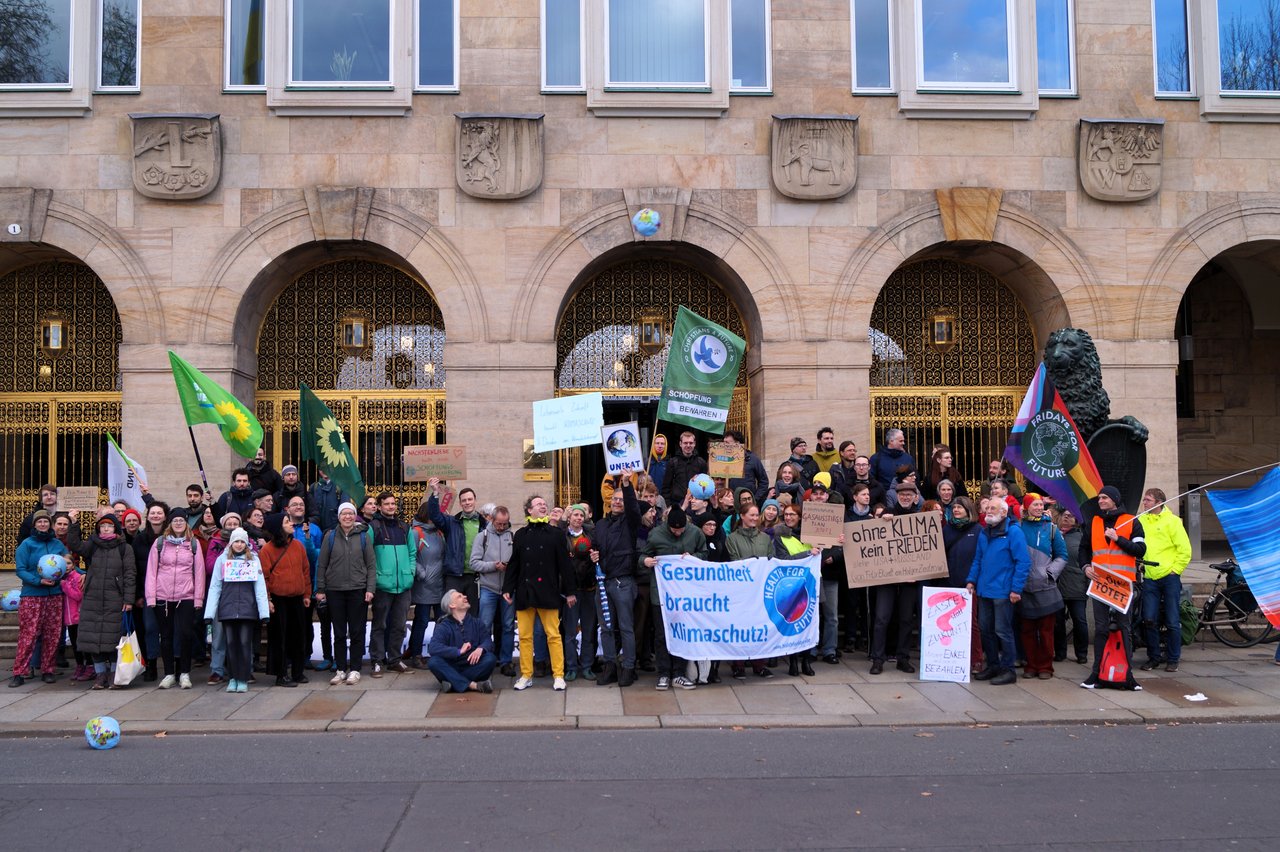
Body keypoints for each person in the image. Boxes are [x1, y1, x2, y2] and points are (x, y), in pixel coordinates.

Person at [502, 494, 577, 691]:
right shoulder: (521, 534)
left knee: (553, 635)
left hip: (548, 591)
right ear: (529, 510)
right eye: (538, 504)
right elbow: (514, 564)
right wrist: (508, 588)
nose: (543, 506)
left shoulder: (556, 534)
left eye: (544, 504)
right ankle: (526, 675)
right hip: (525, 591)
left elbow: (565, 565)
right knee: (525, 636)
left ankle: (558, 675)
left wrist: (570, 591)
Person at [1079, 485, 1146, 690]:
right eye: (1100, 498)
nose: (1100, 501)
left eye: (1105, 498)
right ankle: (1096, 673)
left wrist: (1119, 539)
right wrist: (1085, 567)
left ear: (1115, 500)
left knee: (1124, 627)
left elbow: (1140, 550)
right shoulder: (1094, 522)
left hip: (1122, 583)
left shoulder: (1132, 521)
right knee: (1101, 628)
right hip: (1100, 582)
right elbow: (1083, 549)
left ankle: (1127, 675)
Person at [65, 512, 136, 690]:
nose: (105, 529)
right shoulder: (93, 545)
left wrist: (128, 599)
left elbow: (130, 574)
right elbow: (75, 545)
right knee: (93, 638)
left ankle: (113, 674)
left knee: (113, 639)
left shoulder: (124, 548)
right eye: (102, 526)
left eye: (109, 526)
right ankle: (100, 675)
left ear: (116, 529)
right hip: (93, 598)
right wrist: (74, 523)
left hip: (115, 598)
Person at [639, 506, 707, 690]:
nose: (678, 533)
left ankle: (678, 673)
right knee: (661, 635)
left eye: (681, 530)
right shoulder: (655, 534)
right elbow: (643, 555)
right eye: (674, 530)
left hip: (685, 596)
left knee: (682, 633)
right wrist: (645, 561)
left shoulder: (695, 533)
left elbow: (704, 553)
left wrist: (693, 557)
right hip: (661, 595)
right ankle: (663, 673)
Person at [966, 499, 1031, 686]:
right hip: (984, 590)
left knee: (1002, 631)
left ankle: (1008, 670)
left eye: (992, 508)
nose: (988, 510)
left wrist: (1016, 589)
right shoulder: (984, 531)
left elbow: (1023, 562)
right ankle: (993, 665)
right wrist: (971, 580)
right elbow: (978, 559)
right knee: (986, 630)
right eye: (987, 507)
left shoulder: (1014, 532)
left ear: (1003, 512)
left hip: (1003, 591)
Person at [589, 475, 642, 687]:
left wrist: (626, 485)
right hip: (603, 583)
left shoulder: (630, 522)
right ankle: (610, 666)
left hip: (623, 582)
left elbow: (634, 509)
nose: (618, 502)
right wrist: (593, 554)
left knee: (626, 627)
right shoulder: (600, 524)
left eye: (621, 500)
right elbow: (595, 546)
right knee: (606, 628)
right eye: (615, 499)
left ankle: (628, 667)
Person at [315, 502, 376, 686]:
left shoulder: (364, 537)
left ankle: (355, 669)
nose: (347, 517)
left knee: (357, 631)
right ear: (339, 517)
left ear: (355, 516)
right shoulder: (330, 537)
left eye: (350, 513)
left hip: (358, 589)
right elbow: (322, 564)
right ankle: (341, 669)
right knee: (339, 632)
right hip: (335, 590)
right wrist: (320, 589)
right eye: (344, 514)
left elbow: (371, 565)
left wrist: (370, 589)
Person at [144, 508, 205, 689]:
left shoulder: (193, 543)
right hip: (163, 596)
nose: (178, 523)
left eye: (181, 520)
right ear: (169, 523)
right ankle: (169, 673)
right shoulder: (159, 543)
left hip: (186, 595)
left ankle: (184, 672)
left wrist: (198, 598)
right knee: (166, 636)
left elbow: (199, 572)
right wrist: (151, 597)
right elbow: (151, 571)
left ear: (186, 523)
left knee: (186, 634)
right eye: (175, 520)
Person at [205, 528, 269, 693]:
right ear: (231, 543)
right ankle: (233, 677)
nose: (239, 545)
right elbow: (215, 587)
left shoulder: (253, 559)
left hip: (247, 609)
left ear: (246, 544)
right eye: (236, 541)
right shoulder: (222, 560)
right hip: (228, 608)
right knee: (231, 644)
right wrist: (209, 613)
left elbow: (260, 587)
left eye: (242, 542)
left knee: (244, 643)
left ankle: (243, 677)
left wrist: (263, 612)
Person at [9, 510, 68, 687]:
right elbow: (20, 570)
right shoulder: (26, 545)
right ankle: (19, 672)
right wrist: (38, 581)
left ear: (50, 524)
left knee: (52, 634)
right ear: (34, 524)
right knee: (28, 634)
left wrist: (82, 574)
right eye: (39, 521)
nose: (43, 524)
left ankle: (48, 669)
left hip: (54, 595)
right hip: (33, 595)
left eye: (46, 521)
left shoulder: (57, 544)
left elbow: (67, 564)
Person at [869, 482, 921, 676]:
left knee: (906, 619)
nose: (905, 497)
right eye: (902, 494)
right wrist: (882, 520)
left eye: (909, 494)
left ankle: (903, 658)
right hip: (887, 577)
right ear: (897, 496)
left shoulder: (920, 518)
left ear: (915, 497)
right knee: (881, 618)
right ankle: (877, 658)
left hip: (910, 579)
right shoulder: (888, 513)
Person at [1137, 487, 1191, 673]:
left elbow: (1185, 549)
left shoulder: (1173, 521)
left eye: (1148, 500)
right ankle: (1154, 657)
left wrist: (1175, 571)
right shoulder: (1141, 520)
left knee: (1172, 620)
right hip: (1150, 577)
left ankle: (1173, 658)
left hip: (1169, 577)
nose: (1144, 503)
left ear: (1159, 503)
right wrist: (1141, 564)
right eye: (1144, 500)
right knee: (1149, 619)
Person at [260, 514, 311, 687]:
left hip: (297, 597)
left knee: (298, 636)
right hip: (278, 599)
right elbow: (264, 577)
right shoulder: (267, 550)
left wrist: (306, 594)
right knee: (279, 637)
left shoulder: (298, 546)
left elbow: (305, 571)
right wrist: (268, 599)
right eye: (286, 522)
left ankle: (298, 672)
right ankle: (281, 674)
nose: (291, 524)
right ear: (278, 527)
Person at [1018, 494, 1066, 679]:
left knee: (1046, 631)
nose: (1039, 507)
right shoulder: (1018, 527)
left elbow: (1062, 555)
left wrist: (1049, 574)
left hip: (1046, 587)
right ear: (1026, 507)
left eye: (1040, 504)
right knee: (1027, 631)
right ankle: (1031, 665)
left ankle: (1046, 666)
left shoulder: (1051, 529)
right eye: (1035, 504)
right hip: (1024, 587)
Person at [367, 491, 414, 677]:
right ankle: (377, 661)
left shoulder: (404, 527)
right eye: (386, 504)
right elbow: (368, 555)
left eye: (393, 503)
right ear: (379, 506)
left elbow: (412, 553)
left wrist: (410, 572)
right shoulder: (373, 527)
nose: (391, 507)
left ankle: (395, 660)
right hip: (382, 585)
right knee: (379, 625)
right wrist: (376, 577)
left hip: (403, 584)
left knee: (399, 625)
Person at [725, 504, 774, 679]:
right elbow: (734, 561)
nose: (754, 518)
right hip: (741, 590)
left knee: (759, 627)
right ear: (742, 516)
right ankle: (738, 665)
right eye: (751, 515)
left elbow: (771, 561)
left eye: (756, 515)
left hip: (760, 590)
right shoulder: (732, 538)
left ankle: (759, 664)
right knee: (740, 628)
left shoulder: (765, 538)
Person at [471, 506, 517, 677]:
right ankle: (484, 659)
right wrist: (493, 566)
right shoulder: (482, 537)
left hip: (507, 589)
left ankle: (506, 661)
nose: (502, 527)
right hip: (488, 587)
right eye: (499, 524)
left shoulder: (512, 536)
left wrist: (509, 567)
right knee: (485, 625)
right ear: (491, 519)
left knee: (508, 626)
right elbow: (473, 563)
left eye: (505, 524)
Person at [406, 491, 449, 669]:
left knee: (441, 621)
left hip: (439, 585)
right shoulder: (416, 532)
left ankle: (438, 653)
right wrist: (421, 572)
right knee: (422, 621)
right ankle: (416, 654)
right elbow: (411, 555)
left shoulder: (439, 532)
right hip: (424, 585)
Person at [427, 589, 497, 693]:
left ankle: (453, 683)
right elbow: (433, 648)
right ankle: (473, 685)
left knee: (490, 659)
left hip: (472, 665)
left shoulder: (477, 622)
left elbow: (488, 641)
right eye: (459, 596)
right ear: (452, 605)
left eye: (463, 595)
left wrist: (481, 648)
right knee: (433, 662)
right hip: (452, 665)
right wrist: (458, 651)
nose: (465, 597)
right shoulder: (443, 626)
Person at [943, 496, 984, 673]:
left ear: (968, 510)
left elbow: (981, 557)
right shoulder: (946, 529)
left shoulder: (978, 530)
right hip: (948, 582)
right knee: (949, 623)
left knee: (971, 623)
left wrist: (973, 581)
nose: (956, 510)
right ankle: (951, 657)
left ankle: (976, 659)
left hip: (969, 585)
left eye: (960, 507)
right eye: (954, 508)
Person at [561, 505, 598, 681]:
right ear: (569, 518)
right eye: (575, 515)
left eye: (581, 515)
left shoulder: (591, 536)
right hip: (571, 591)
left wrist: (594, 558)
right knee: (570, 632)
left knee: (588, 631)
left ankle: (587, 666)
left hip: (589, 589)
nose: (578, 518)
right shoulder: (562, 536)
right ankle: (571, 666)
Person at [1052, 510, 1089, 666]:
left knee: (1079, 620)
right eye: (1064, 515)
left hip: (1076, 585)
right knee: (1057, 622)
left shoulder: (1081, 537)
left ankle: (1082, 653)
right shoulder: (1053, 535)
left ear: (1077, 520)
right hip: (1056, 586)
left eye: (1071, 515)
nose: (1067, 517)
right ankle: (1060, 652)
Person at [448, 486, 486, 611]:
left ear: (475, 500)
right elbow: (436, 516)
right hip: (455, 575)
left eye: (470, 499)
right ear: (460, 503)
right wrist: (435, 494)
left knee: (473, 612)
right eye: (464, 500)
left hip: (475, 576)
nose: (467, 502)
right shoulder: (452, 522)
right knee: (452, 612)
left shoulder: (484, 523)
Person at [722, 429, 770, 504]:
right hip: (731, 504)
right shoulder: (722, 460)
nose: (724, 446)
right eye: (724, 443)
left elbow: (764, 481)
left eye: (727, 443)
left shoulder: (753, 459)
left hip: (748, 503)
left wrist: (755, 499)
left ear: (737, 444)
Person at [660, 431, 707, 506]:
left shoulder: (701, 463)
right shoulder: (672, 463)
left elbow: (705, 486)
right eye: (685, 443)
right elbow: (666, 487)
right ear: (680, 444)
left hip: (696, 504)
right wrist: (668, 505)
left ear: (694, 444)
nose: (688, 445)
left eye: (690, 443)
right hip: (677, 504)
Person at [16, 484, 59, 551]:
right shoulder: (30, 519)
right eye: (45, 495)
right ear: (41, 499)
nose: (49, 497)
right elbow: (22, 541)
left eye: (52, 494)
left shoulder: (64, 516)